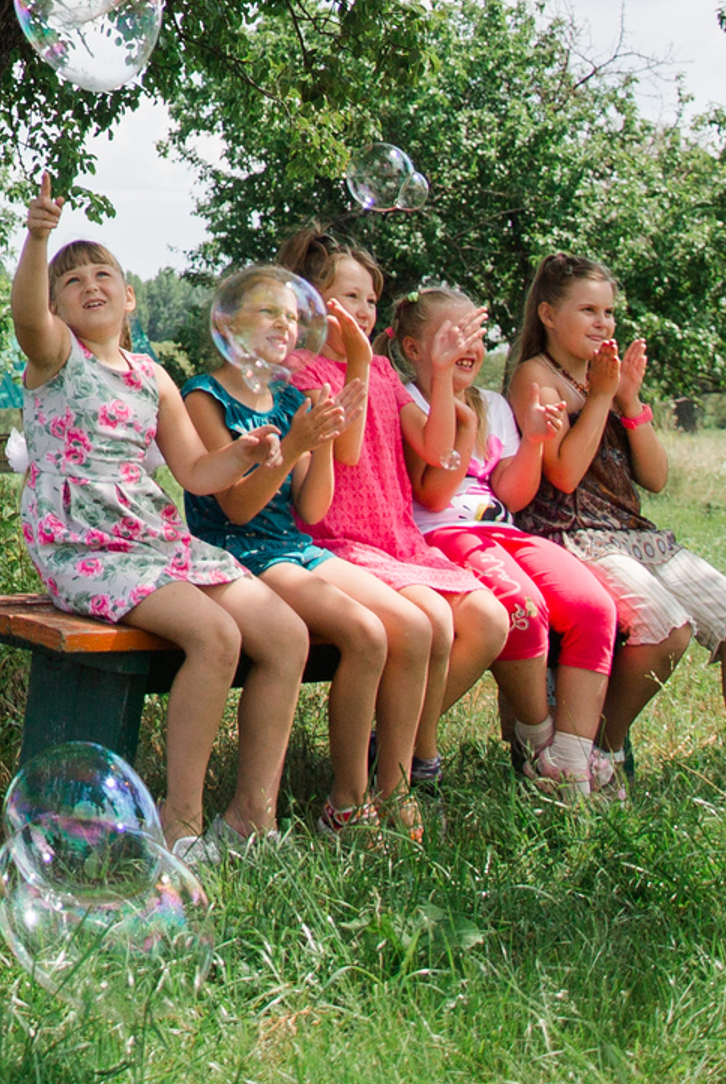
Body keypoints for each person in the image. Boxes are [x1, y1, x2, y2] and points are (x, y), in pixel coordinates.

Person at [12, 177, 311, 863]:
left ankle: (251, 818)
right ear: (57, 306)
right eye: (71, 280)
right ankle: (180, 825)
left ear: (129, 295)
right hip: (85, 543)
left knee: (287, 635)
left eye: (103, 273)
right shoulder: (57, 358)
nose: (89, 283)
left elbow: (196, 473)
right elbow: (26, 316)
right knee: (214, 637)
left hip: (151, 535)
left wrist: (242, 452)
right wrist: (37, 240)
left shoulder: (152, 375)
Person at [508, 252, 726, 799]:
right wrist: (604, 396)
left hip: (634, 533)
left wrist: (630, 403)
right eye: (587, 310)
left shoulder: (605, 377)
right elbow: (562, 476)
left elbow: (655, 478)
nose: (602, 323)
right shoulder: (535, 378)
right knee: (665, 626)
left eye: (608, 312)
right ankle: (600, 746)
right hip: (571, 531)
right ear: (546, 314)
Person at [180, 267, 438, 834]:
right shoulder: (203, 396)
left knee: (413, 627)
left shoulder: (289, 397)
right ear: (231, 321)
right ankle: (347, 801)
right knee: (367, 633)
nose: (285, 324)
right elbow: (238, 509)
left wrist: (316, 445)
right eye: (271, 312)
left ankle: (394, 793)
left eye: (293, 317)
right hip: (237, 553)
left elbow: (314, 510)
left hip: (292, 547)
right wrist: (296, 439)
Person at [275, 226, 510, 813]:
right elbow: (347, 451)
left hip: (395, 538)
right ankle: (397, 780)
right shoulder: (300, 372)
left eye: (370, 299)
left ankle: (406, 749)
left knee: (487, 620)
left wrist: (438, 373)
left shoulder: (382, 372)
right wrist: (356, 358)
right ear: (308, 303)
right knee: (428, 619)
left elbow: (433, 450)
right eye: (347, 297)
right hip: (338, 539)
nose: (362, 310)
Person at [390, 284, 626, 800]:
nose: (471, 345)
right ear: (413, 350)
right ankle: (538, 743)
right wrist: (456, 417)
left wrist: (537, 443)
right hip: (440, 534)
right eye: (455, 335)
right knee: (520, 605)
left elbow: (511, 493)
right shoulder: (405, 402)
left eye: (477, 333)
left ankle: (570, 754)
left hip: (501, 529)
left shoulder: (493, 403)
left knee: (592, 607)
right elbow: (430, 495)